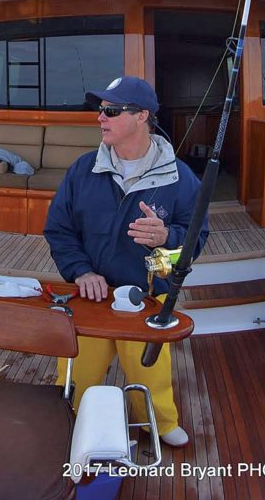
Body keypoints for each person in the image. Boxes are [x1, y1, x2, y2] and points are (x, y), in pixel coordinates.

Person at [44, 76, 209, 448]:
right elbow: (58, 230)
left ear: (142, 117)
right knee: (76, 373)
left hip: (147, 297)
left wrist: (169, 238)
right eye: (101, 110)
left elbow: (196, 241)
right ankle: (67, 419)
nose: (100, 118)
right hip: (90, 296)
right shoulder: (82, 171)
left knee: (150, 373)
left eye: (111, 111)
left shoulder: (182, 180)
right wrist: (81, 271)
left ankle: (159, 422)